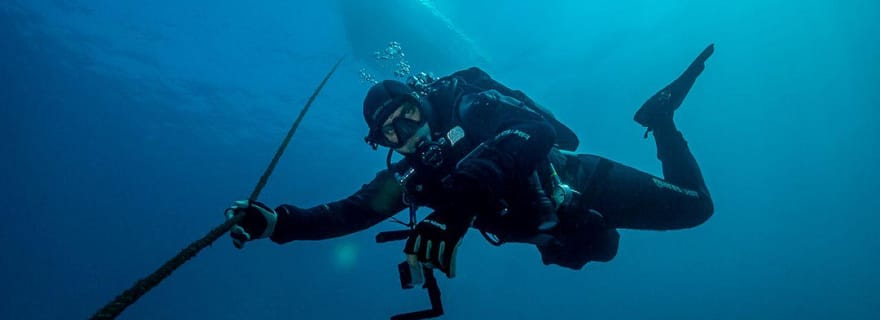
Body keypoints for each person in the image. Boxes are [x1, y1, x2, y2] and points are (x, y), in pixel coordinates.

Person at [226, 44, 716, 277]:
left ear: (423, 103)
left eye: (409, 114)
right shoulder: (410, 175)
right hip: (563, 229)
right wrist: (279, 223)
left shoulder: (470, 106)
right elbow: (351, 212)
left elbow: (537, 131)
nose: (408, 132)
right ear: (383, 142)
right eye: (392, 131)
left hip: (588, 183)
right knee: (601, 248)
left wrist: (456, 208)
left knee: (697, 208)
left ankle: (660, 119)